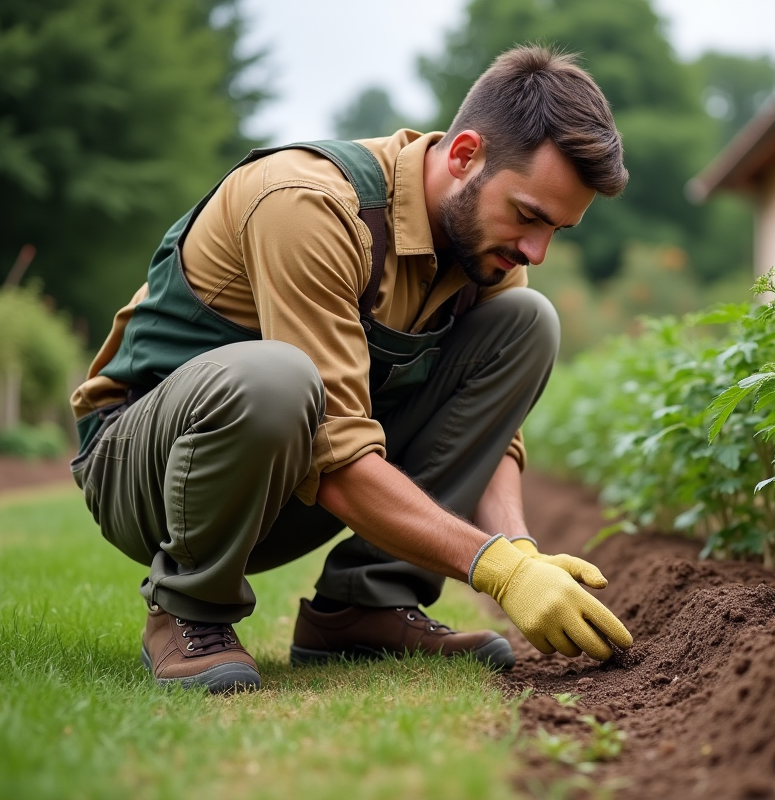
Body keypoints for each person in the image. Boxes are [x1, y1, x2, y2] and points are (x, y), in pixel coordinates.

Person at [68, 46, 634, 693]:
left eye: (557, 229)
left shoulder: (487, 248)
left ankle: (365, 609)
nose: (536, 247)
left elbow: (491, 434)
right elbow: (334, 458)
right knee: (278, 378)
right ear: (464, 155)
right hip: (146, 471)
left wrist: (521, 551)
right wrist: (494, 569)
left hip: (283, 482)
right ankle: (188, 608)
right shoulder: (308, 204)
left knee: (530, 324)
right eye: (530, 215)